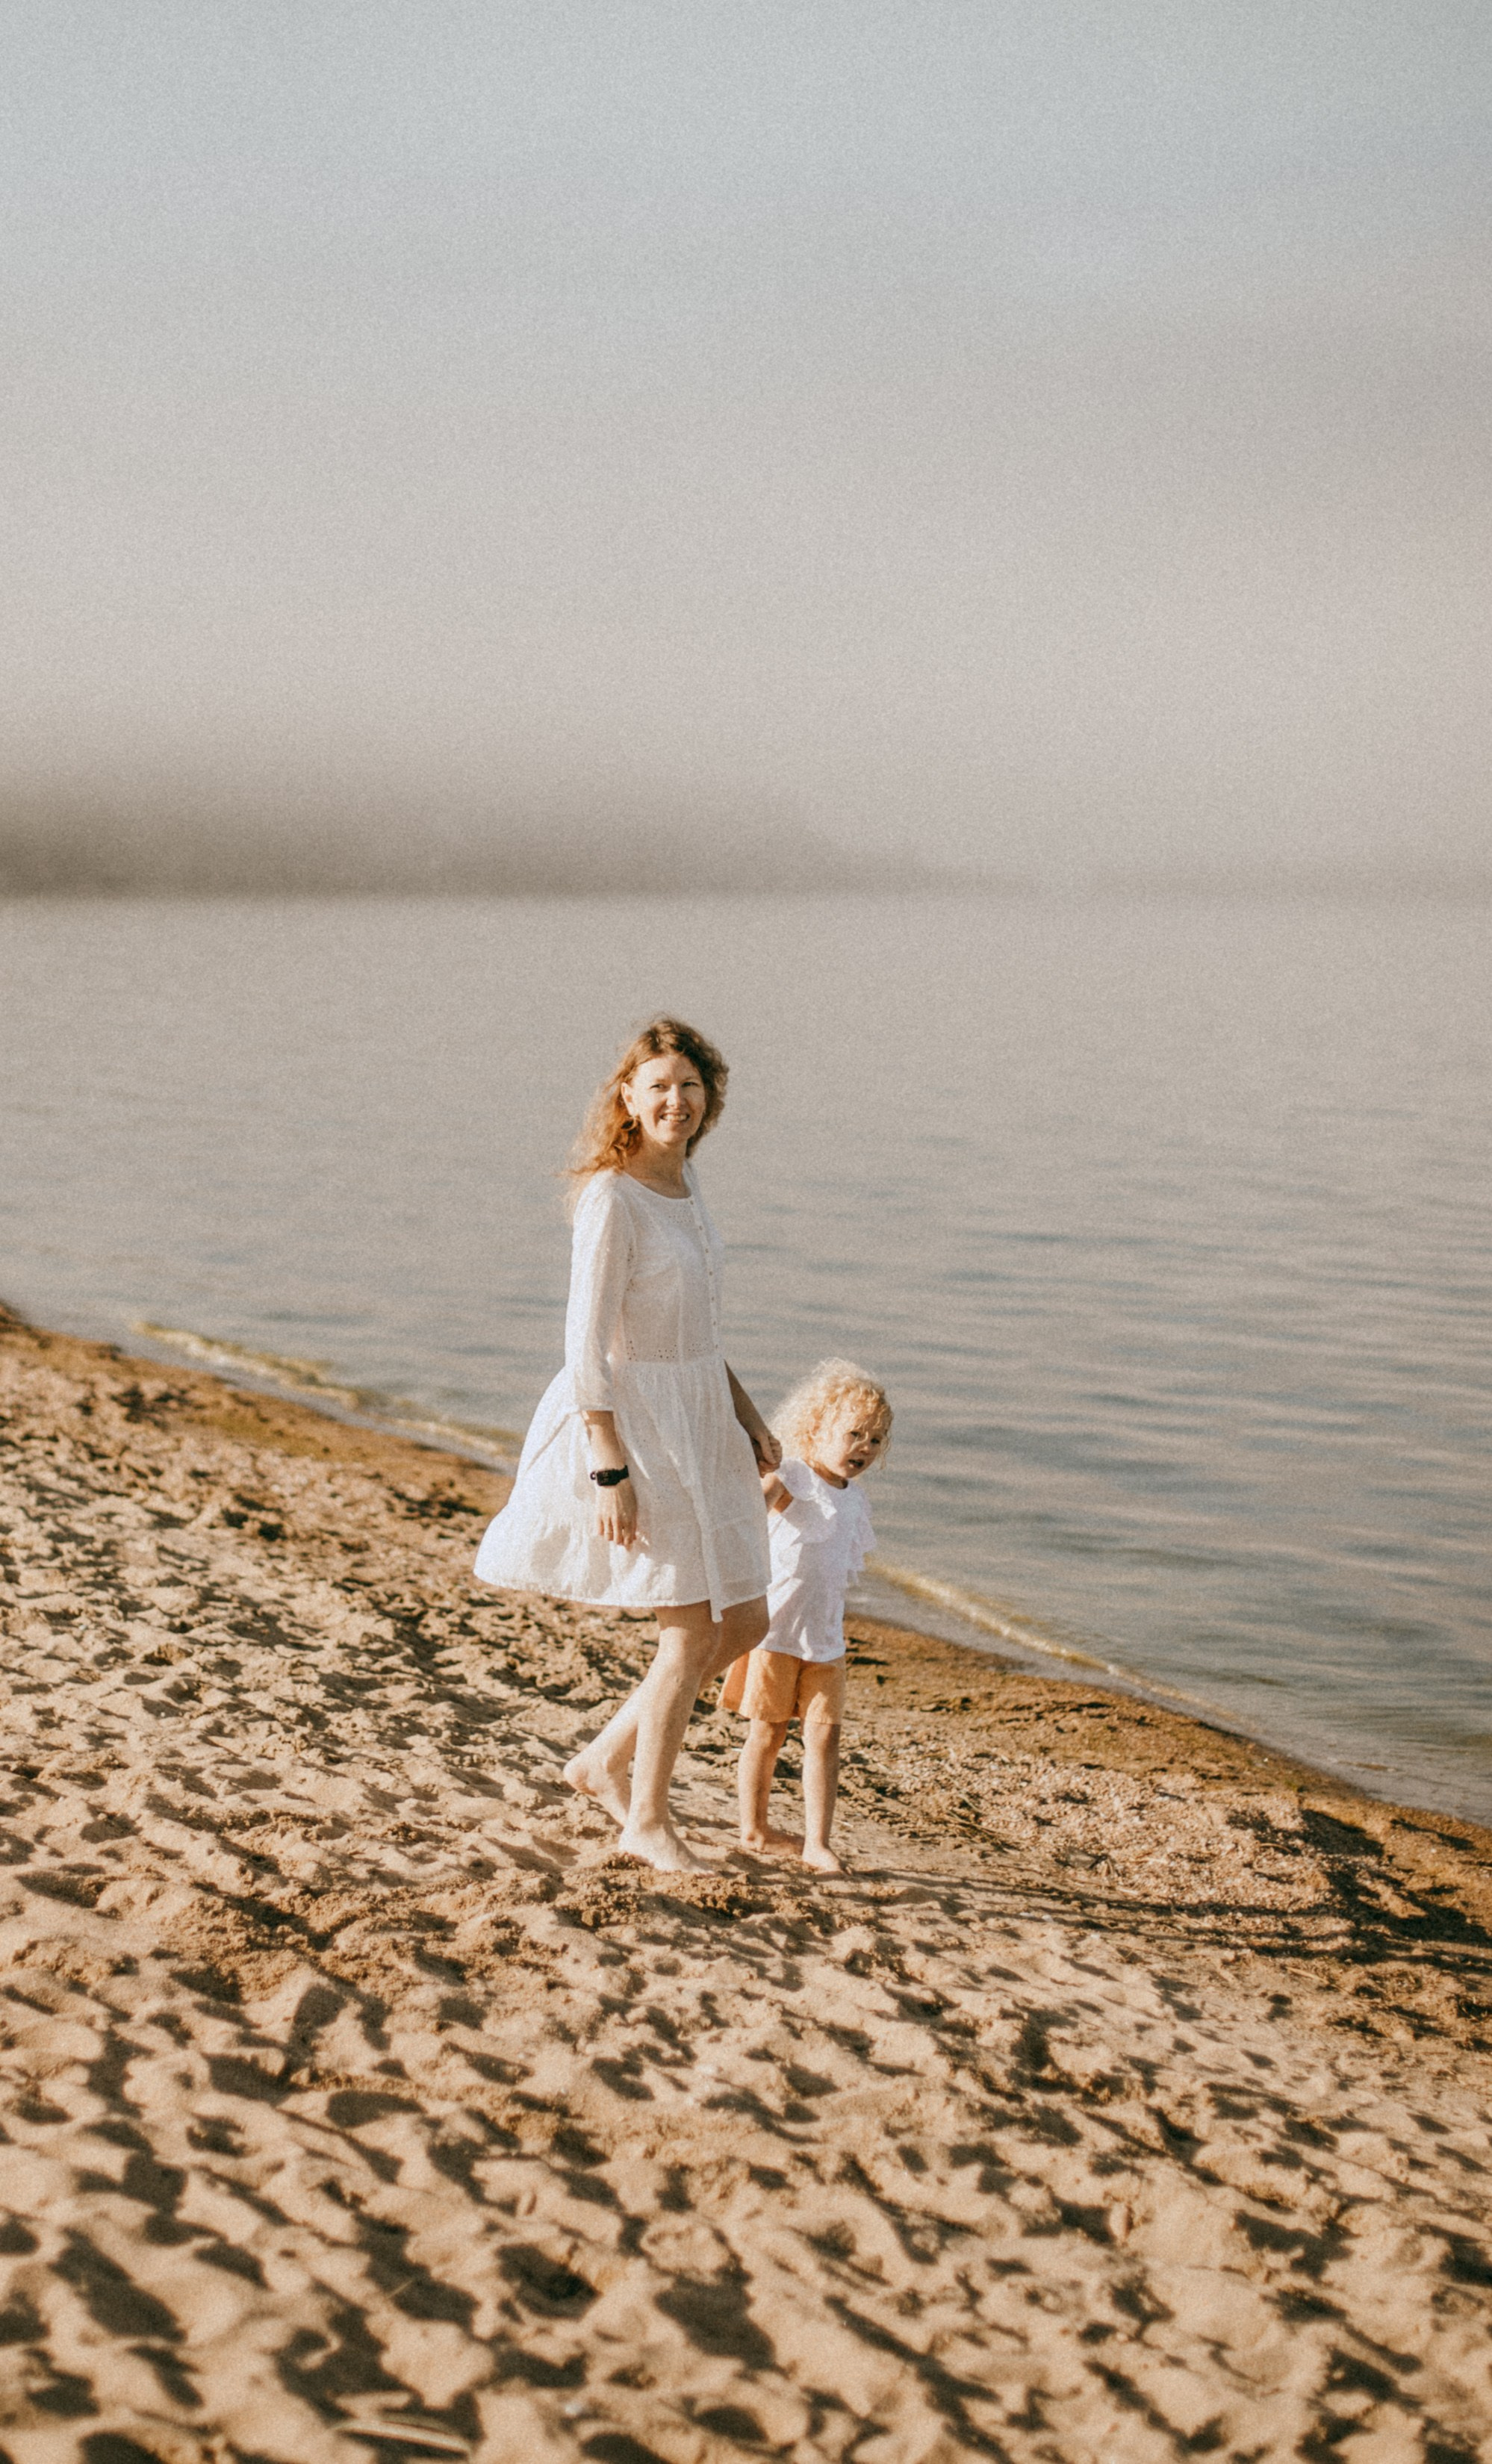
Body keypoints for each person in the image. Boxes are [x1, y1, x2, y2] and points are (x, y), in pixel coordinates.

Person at [473, 1017, 778, 1871]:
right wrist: (608, 1465)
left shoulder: (686, 1184)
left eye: (690, 1086)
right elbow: (586, 1343)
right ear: (628, 1099)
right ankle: (645, 1819)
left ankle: (603, 1761)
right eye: (659, 1088)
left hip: (703, 1415)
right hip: (638, 1425)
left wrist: (750, 1417)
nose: (676, 1101)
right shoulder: (612, 1197)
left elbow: (698, 1332)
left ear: (709, 1098)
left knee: (746, 1615)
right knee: (690, 1627)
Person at [720, 1359, 892, 1873]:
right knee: (767, 1734)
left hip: (826, 1641)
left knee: (825, 1736)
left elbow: (836, 1571)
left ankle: (818, 1842)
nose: (865, 1447)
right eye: (854, 1434)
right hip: (774, 1634)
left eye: (876, 1440)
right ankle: (755, 1829)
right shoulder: (794, 1476)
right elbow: (748, 1512)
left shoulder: (855, 1500)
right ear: (817, 1428)